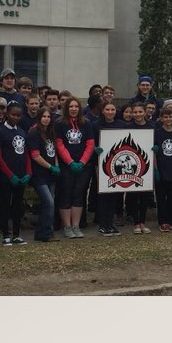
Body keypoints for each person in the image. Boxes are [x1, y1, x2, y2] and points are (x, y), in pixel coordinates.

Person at [55, 97, 96, 239]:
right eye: (71, 106)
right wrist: (70, 162)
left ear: (80, 108)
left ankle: (76, 225)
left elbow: (90, 144)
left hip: (83, 166)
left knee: (79, 195)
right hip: (66, 166)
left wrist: (83, 162)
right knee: (66, 194)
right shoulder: (60, 124)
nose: (73, 109)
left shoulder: (87, 123)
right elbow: (59, 145)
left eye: (76, 106)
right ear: (67, 108)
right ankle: (67, 226)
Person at [0, 103, 30, 246]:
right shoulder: (0, 131)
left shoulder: (21, 131)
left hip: (21, 175)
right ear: (7, 114)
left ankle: (17, 234)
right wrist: (10, 175)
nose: (16, 117)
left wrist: (28, 172)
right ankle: (5, 234)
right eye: (13, 114)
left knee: (18, 206)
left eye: (18, 115)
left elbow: (26, 153)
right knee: (5, 205)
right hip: (6, 177)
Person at [27, 107, 62, 242]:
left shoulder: (50, 132)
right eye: (44, 116)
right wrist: (50, 167)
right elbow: (35, 156)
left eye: (48, 117)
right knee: (49, 202)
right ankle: (45, 233)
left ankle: (45, 232)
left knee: (48, 203)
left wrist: (56, 166)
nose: (46, 119)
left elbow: (54, 152)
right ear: (39, 117)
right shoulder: (34, 133)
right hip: (40, 174)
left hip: (51, 174)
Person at [93, 102, 125, 236]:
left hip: (116, 163)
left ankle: (110, 223)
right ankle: (102, 224)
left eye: (113, 109)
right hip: (100, 164)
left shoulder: (121, 125)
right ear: (103, 111)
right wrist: (96, 149)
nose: (110, 111)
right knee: (103, 194)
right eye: (107, 109)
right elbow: (91, 142)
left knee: (114, 195)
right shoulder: (96, 125)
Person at [126, 102, 154, 233]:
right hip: (132, 165)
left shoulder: (151, 127)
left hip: (147, 166)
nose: (137, 114)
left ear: (145, 112)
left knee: (145, 195)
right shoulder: (127, 127)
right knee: (132, 195)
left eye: (140, 112)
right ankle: (136, 222)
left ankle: (143, 221)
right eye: (135, 112)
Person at [153, 107, 172, 232]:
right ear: (161, 118)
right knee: (161, 197)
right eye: (165, 117)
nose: (168, 119)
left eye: (170, 116)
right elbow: (154, 153)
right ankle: (163, 221)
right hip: (161, 168)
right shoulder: (157, 133)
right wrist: (156, 169)